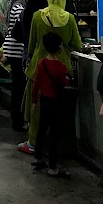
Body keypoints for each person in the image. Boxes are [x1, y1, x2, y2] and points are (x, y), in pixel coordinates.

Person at [21, 0, 81, 156]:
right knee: (59, 112)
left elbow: (31, 43)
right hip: (62, 69)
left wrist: (33, 55)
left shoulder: (37, 16)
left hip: (39, 66)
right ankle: (56, 147)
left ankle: (33, 143)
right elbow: (77, 44)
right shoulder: (69, 18)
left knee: (36, 109)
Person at [31, 32, 72, 178]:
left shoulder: (41, 63)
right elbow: (64, 83)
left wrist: (34, 101)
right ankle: (53, 167)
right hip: (56, 102)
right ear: (59, 46)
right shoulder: (61, 67)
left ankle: (38, 158)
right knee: (54, 134)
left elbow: (36, 84)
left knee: (42, 129)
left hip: (44, 100)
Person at [2, 0, 31, 132]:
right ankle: (17, 120)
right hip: (16, 50)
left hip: (10, 49)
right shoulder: (20, 9)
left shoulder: (13, 6)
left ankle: (16, 118)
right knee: (19, 86)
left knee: (16, 85)